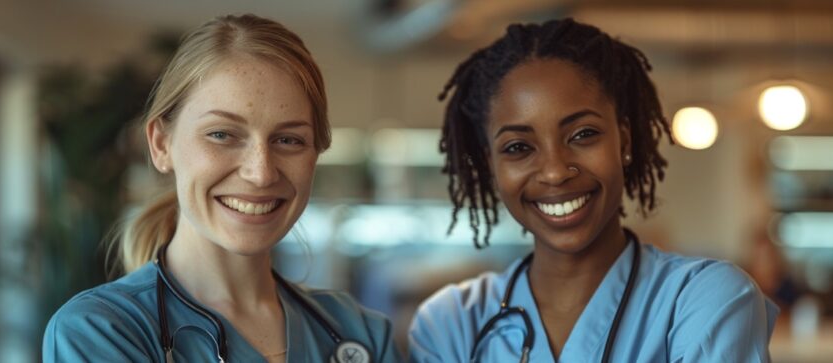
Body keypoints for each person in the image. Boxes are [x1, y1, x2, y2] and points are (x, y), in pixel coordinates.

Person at [408, 18, 777, 362]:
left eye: (583, 135)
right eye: (518, 147)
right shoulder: (449, 324)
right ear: (491, 166)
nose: (554, 172)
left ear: (625, 141)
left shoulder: (705, 299)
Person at [43, 14, 400, 363]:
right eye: (222, 135)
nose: (261, 173)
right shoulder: (101, 331)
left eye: (289, 139)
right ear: (161, 145)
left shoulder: (361, 334)